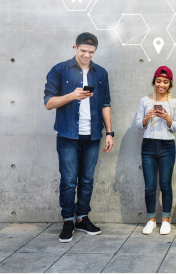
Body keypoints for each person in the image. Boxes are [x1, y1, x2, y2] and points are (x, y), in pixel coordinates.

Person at [44, 32, 114, 243]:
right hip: (68, 135)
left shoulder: (100, 73)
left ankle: (82, 218)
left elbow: (106, 103)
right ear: (74, 47)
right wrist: (72, 96)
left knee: (87, 180)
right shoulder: (60, 70)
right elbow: (48, 103)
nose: (87, 55)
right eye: (83, 51)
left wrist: (109, 132)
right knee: (68, 181)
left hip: (92, 135)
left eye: (91, 52)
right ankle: (68, 220)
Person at [135, 66, 176, 235]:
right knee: (150, 186)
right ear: (154, 82)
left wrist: (168, 118)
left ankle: (166, 220)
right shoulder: (144, 101)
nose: (162, 85)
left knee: (166, 185)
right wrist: (147, 117)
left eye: (165, 82)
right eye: (159, 81)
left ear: (170, 84)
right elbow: (138, 125)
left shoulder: (174, 102)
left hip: (167, 146)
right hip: (148, 146)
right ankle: (151, 220)